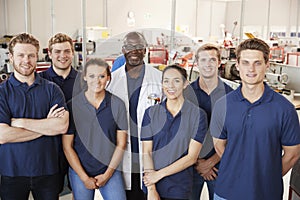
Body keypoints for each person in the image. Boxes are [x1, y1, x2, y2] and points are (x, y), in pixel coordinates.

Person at [210, 38, 300, 200]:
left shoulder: (284, 109)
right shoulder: (222, 105)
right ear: (237, 65)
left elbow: (292, 154)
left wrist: (267, 175)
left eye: (257, 63)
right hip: (226, 193)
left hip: (266, 193)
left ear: (267, 65)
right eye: (245, 62)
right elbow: (219, 146)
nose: (251, 69)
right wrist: (238, 170)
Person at [0, 33, 69, 200]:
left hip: (48, 170)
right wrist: (46, 127)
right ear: (11, 57)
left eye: (31, 55)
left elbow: (61, 126)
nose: (26, 60)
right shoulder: (2, 92)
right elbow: (2, 135)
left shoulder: (52, 90)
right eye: (21, 55)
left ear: (37, 56)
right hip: (11, 172)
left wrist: (19, 123)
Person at [107, 31, 162, 200]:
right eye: (130, 47)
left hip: (152, 153)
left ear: (145, 50)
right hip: (123, 153)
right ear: (123, 50)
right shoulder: (111, 81)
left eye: (139, 47)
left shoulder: (159, 78)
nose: (134, 51)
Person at [62, 58, 127, 199]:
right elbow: (67, 147)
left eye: (102, 76)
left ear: (108, 78)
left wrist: (108, 174)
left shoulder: (117, 104)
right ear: (84, 77)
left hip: (109, 168)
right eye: (91, 76)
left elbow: (121, 144)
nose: (97, 81)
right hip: (80, 169)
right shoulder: (73, 106)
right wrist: (84, 178)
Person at [141, 64, 208, 200]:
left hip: (179, 187)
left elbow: (191, 157)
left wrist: (158, 175)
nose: (170, 85)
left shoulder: (197, 115)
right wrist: (152, 188)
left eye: (176, 81)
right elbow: (146, 152)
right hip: (152, 185)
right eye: (166, 81)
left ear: (185, 84)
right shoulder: (151, 113)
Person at [188, 44, 233, 200]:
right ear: (197, 63)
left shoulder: (231, 95)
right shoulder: (186, 94)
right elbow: (179, 133)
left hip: (221, 165)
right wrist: (197, 162)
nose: (208, 64)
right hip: (190, 165)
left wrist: (211, 162)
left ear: (220, 62)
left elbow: (235, 135)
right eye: (204, 60)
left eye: (212, 59)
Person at [39, 32, 80, 196]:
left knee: (78, 193)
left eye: (67, 51)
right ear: (49, 53)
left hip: (77, 149)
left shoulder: (83, 81)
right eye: (57, 51)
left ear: (72, 53)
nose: (62, 56)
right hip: (48, 151)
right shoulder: (39, 81)